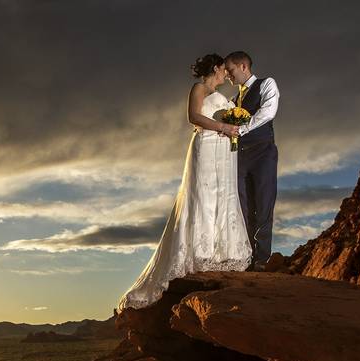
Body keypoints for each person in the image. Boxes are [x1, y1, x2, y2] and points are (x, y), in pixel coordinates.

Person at [117, 54, 252, 311]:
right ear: (215, 67)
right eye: (224, 69)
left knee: (223, 195)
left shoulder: (223, 96)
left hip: (224, 150)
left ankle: (220, 252)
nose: (227, 74)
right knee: (203, 194)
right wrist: (223, 128)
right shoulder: (199, 88)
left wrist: (234, 125)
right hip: (207, 144)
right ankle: (199, 253)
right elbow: (194, 117)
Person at [221, 51, 279, 271]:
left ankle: (262, 259)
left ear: (243, 66)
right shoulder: (234, 100)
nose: (228, 75)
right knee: (242, 206)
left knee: (264, 203)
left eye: (231, 70)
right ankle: (246, 257)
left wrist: (241, 129)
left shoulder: (267, 84)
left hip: (263, 152)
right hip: (239, 157)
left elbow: (268, 112)